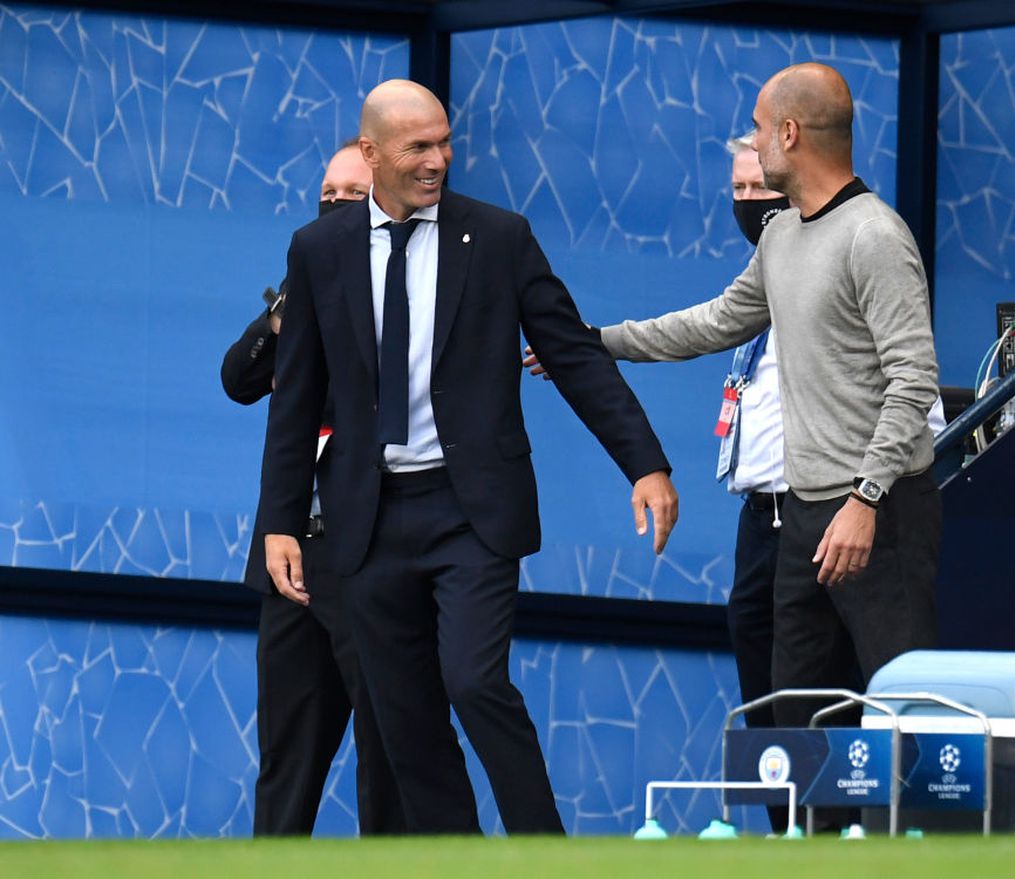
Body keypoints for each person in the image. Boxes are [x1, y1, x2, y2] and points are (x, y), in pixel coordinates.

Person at [256, 80, 679, 835]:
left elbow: (574, 355)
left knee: (475, 679)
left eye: (445, 142)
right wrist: (280, 521)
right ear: (371, 153)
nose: (439, 160)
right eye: (419, 146)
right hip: (368, 516)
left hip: (469, 510)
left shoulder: (499, 237)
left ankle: (542, 849)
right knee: (402, 714)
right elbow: (296, 399)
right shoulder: (318, 250)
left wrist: (645, 464)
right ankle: (458, 854)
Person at [596, 63, 941, 736]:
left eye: (757, 129)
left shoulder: (874, 235)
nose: (752, 144)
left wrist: (865, 500)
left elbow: (914, 376)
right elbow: (717, 320)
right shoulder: (782, 233)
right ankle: (810, 843)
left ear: (789, 132)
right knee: (797, 715)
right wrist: (596, 342)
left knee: (901, 709)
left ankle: (909, 841)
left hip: (882, 514)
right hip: (803, 516)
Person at [220, 140, 405, 836]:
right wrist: (282, 317)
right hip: (291, 554)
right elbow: (239, 378)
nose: (333, 205)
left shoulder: (409, 290)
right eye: (326, 192)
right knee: (288, 757)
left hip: (372, 552)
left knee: (385, 751)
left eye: (351, 195)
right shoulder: (301, 282)